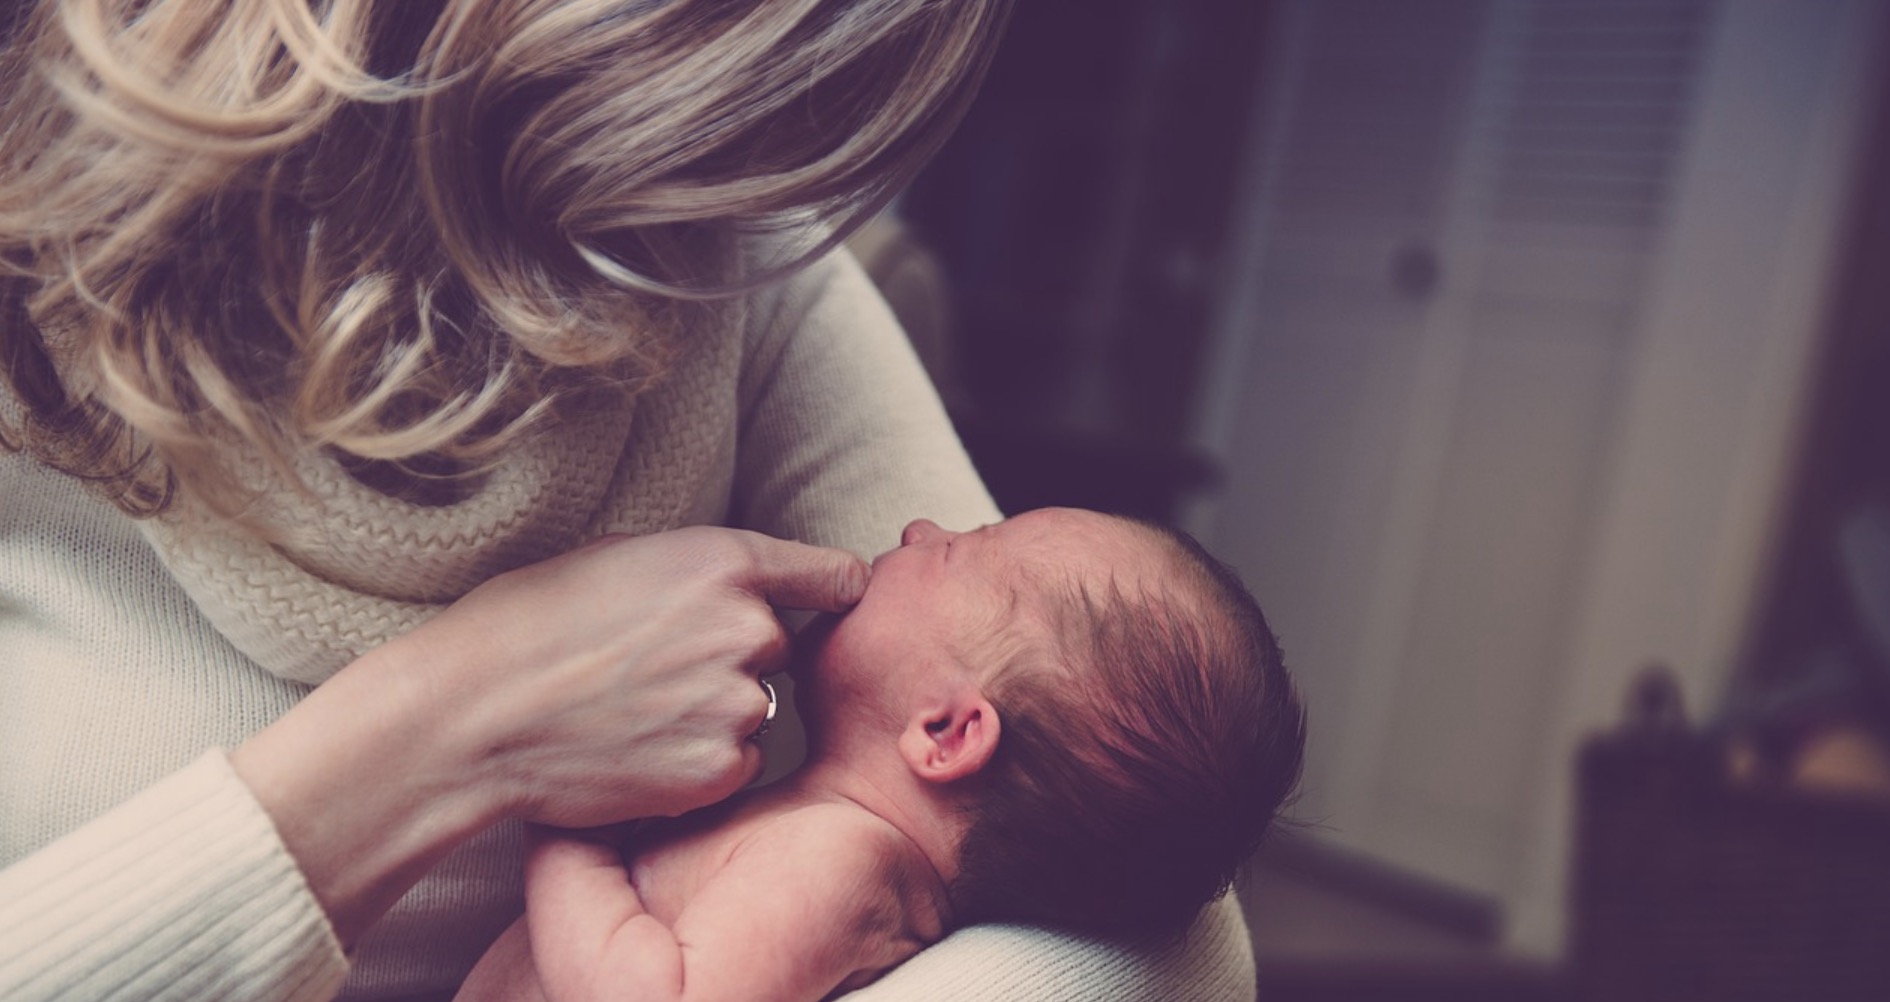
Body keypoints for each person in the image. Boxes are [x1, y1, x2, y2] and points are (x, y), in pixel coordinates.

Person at [0, 2, 1259, 1000]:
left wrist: (573, 842)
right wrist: (480, 727)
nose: (919, 538)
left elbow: (1177, 946)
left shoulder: (734, 257)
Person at [453, 509, 1306, 1002]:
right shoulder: (836, 842)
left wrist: (563, 825)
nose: (915, 523)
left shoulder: (835, 865)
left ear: (945, 733)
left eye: (949, 550)